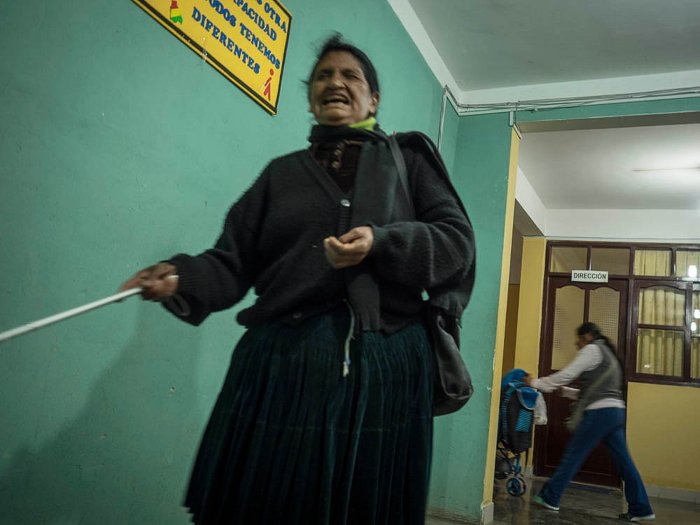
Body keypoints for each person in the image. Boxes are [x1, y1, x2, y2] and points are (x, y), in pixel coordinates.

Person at [121, 34, 475, 525]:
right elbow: (230, 263)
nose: (335, 82)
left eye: (351, 76)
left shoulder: (408, 161)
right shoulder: (279, 175)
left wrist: (382, 241)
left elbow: (456, 244)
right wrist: (180, 276)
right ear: (310, 98)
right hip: (281, 366)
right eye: (324, 76)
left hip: (384, 369)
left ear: (373, 99)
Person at [525, 322, 655, 522]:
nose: (577, 344)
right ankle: (641, 507)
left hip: (600, 413)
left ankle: (551, 497)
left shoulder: (593, 349)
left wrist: (536, 383)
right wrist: (566, 392)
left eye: (578, 339)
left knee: (574, 455)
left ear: (587, 336)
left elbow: (567, 374)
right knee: (624, 462)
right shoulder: (608, 354)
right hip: (615, 412)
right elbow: (595, 391)